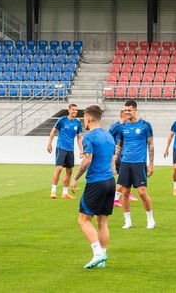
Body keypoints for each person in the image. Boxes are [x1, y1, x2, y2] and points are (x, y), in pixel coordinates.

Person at [73, 104, 117, 269]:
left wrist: (75, 179)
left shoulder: (89, 137)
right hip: (110, 182)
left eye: (84, 117)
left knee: (83, 220)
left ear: (89, 118)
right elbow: (113, 159)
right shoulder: (109, 136)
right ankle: (102, 259)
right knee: (102, 222)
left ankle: (98, 253)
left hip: (96, 182)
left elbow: (87, 159)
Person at [115, 100, 156, 229]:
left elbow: (150, 144)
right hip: (125, 163)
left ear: (135, 110)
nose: (127, 113)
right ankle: (127, 221)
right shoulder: (122, 127)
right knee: (125, 192)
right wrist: (115, 159)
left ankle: (150, 219)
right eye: (125, 110)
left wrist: (151, 164)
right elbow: (119, 146)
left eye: (129, 110)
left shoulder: (145, 125)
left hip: (139, 163)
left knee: (142, 192)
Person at [47, 103, 84, 199]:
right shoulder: (62, 120)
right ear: (69, 110)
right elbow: (53, 131)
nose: (75, 111)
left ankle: (65, 193)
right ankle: (53, 191)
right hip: (61, 147)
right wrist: (49, 143)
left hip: (70, 149)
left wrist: (81, 150)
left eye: (76, 110)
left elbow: (79, 137)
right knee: (59, 168)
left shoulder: (77, 123)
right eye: (73, 109)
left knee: (69, 170)